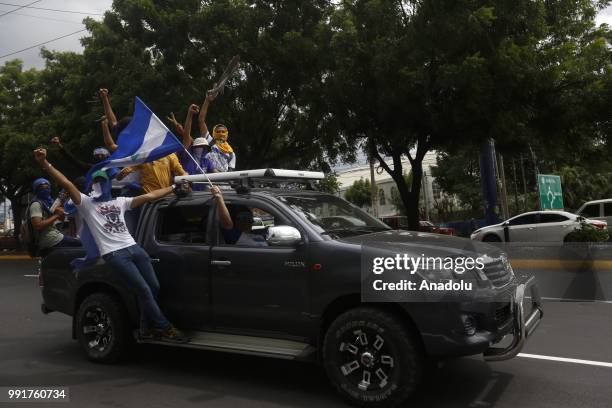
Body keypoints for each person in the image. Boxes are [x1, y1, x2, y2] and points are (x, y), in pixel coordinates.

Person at [33, 147, 189, 343]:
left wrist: (174, 188)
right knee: (143, 290)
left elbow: (149, 196)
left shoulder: (119, 202)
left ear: (108, 183)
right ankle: (164, 327)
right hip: (115, 255)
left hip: (134, 248)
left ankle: (145, 327)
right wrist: (45, 164)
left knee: (154, 287)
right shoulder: (87, 204)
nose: (99, 184)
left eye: (103, 181)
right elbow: (65, 182)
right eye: (96, 181)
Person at [29, 178, 81, 257]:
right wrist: (56, 215)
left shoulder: (48, 202)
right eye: (41, 188)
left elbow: (61, 219)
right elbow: (38, 225)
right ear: (36, 190)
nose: (45, 189)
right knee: (81, 245)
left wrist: (62, 204)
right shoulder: (36, 204)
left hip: (55, 235)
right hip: (49, 238)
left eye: (47, 187)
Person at [177, 104, 216, 189]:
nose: (201, 148)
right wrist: (190, 114)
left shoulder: (206, 161)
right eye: (199, 146)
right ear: (193, 147)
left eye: (204, 147)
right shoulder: (187, 155)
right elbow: (187, 135)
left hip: (202, 196)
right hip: (187, 195)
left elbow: (216, 174)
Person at [198, 92, 236, 172]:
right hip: (209, 180)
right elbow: (201, 120)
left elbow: (230, 173)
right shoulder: (210, 142)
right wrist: (207, 101)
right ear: (214, 133)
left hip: (223, 183)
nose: (221, 133)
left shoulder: (231, 154)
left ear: (227, 134)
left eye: (223, 131)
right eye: (218, 131)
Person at [116, 153, 187, 193]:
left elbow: (182, 173)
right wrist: (122, 173)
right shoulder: (142, 156)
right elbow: (120, 177)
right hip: (149, 197)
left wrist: (186, 181)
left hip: (167, 196)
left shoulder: (169, 154)